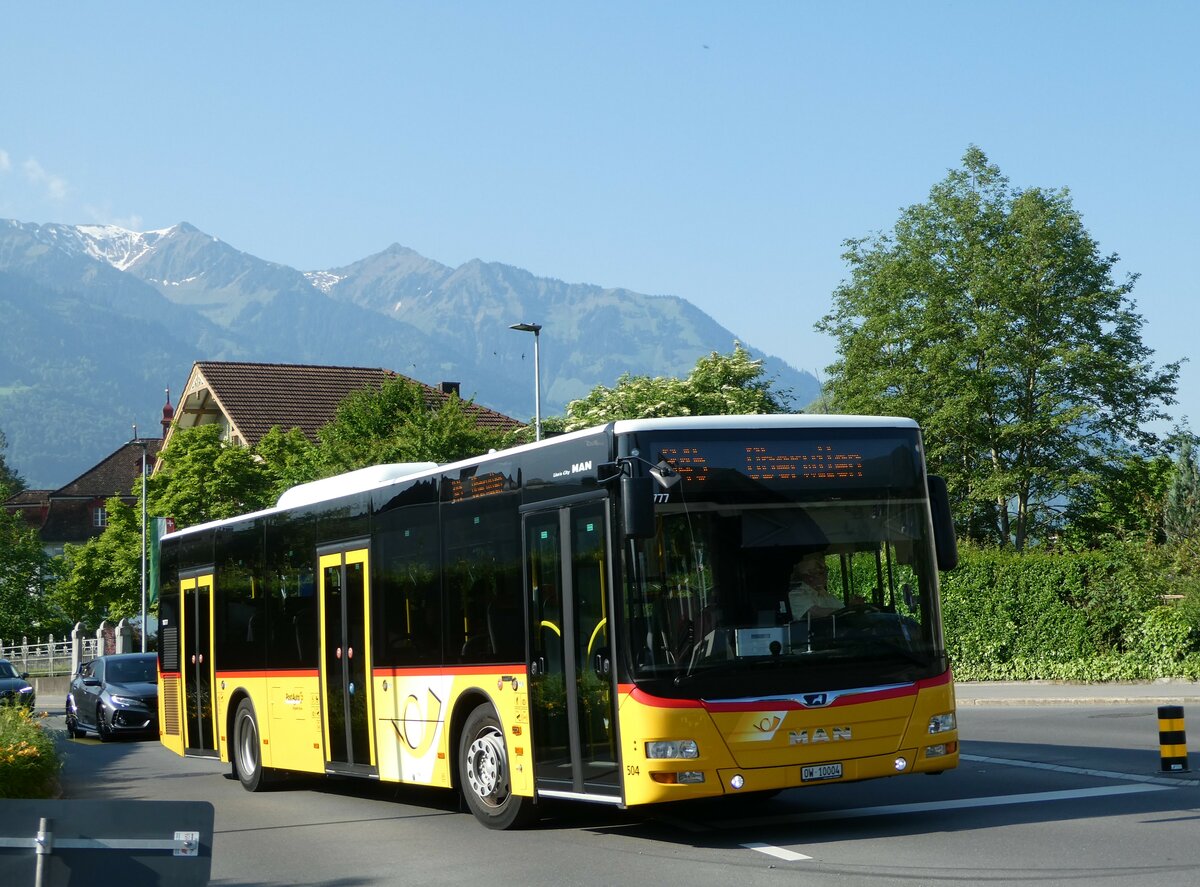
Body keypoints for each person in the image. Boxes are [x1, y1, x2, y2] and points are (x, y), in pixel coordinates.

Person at [788, 554, 842, 618]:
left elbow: (843, 610)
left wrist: (852, 607)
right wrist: (843, 612)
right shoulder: (796, 595)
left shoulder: (825, 595)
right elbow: (816, 613)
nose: (826, 575)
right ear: (807, 576)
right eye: (820, 573)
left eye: (826, 571)